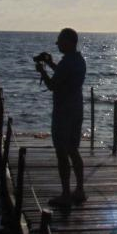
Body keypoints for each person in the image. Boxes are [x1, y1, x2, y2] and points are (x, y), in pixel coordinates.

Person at [35, 28, 86, 208]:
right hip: (77, 110)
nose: (57, 44)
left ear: (69, 42)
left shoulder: (67, 63)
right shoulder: (78, 60)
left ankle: (65, 194)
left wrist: (42, 71)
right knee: (73, 150)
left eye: (60, 41)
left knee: (62, 153)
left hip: (63, 112)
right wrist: (50, 63)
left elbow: (53, 85)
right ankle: (79, 190)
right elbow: (63, 76)